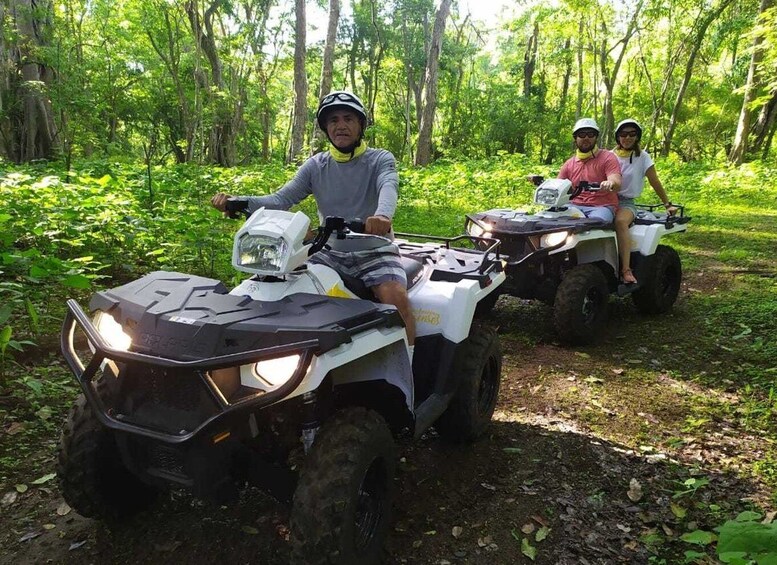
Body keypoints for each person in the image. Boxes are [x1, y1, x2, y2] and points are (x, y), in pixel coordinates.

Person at [211, 90, 415, 346]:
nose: (341, 125)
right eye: (333, 120)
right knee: (281, 290)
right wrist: (238, 201)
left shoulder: (379, 159)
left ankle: (408, 365)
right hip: (328, 250)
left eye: (349, 119)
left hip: (374, 249)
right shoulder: (316, 165)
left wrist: (382, 216)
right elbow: (280, 199)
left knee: (395, 299)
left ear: (361, 124)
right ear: (326, 128)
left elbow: (388, 185)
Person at [612, 118, 678, 284]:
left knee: (620, 222)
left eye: (632, 134)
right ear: (618, 136)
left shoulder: (643, 157)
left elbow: (654, 181)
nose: (627, 138)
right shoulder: (609, 156)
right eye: (623, 134)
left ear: (637, 136)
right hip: (604, 201)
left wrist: (667, 204)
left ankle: (626, 270)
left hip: (626, 203)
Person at [558, 118, 622, 223]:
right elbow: (558, 185)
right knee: (542, 223)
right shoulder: (569, 163)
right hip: (573, 205)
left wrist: (610, 183)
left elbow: (617, 183)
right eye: (582, 135)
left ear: (596, 137)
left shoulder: (607, 157)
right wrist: (541, 183)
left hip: (601, 207)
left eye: (591, 134)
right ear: (575, 138)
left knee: (592, 225)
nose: (586, 138)